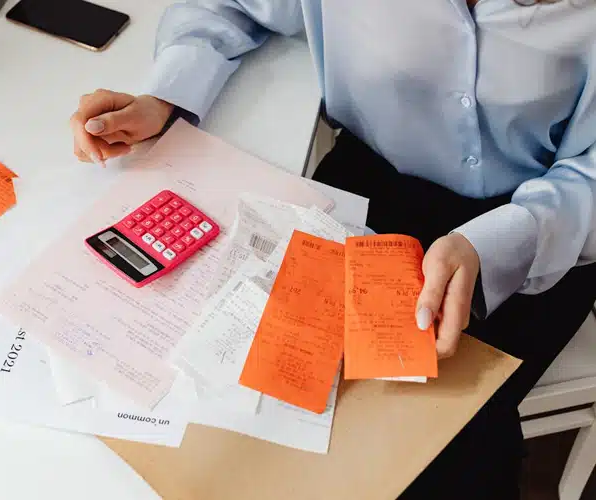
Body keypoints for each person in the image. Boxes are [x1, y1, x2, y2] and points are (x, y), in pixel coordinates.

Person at [70, 1, 596, 497]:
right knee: (246, 399)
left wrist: (494, 244)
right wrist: (164, 97)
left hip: (542, 229)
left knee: (444, 451)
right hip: (367, 188)